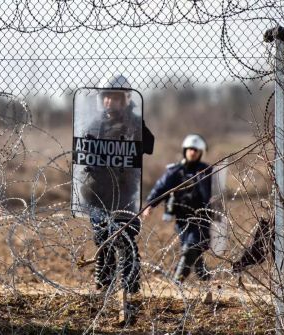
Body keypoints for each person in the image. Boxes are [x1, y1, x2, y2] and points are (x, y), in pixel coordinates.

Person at [79, 74, 154, 325]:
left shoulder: (134, 122)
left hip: (125, 195)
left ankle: (131, 288)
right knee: (103, 241)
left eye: (116, 97)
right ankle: (104, 286)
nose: (111, 101)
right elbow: (81, 155)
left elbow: (150, 145)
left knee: (126, 239)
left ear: (126, 99)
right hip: (97, 193)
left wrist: (134, 131)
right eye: (107, 97)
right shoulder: (93, 125)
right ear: (102, 100)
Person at [142, 134, 212, 283]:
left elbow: (213, 195)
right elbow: (161, 187)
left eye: (196, 150)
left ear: (200, 152)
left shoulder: (206, 171)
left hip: (200, 219)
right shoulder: (175, 171)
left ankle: (176, 282)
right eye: (190, 149)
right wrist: (150, 205)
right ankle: (208, 281)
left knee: (190, 249)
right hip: (182, 219)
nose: (192, 152)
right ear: (185, 150)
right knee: (194, 252)